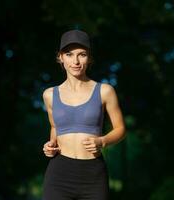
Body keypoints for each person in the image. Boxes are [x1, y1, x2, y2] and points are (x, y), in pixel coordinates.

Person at [42, 29, 126, 200]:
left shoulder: (105, 91)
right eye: (69, 54)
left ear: (89, 58)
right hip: (59, 173)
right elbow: (54, 127)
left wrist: (102, 141)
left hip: (93, 175)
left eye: (82, 54)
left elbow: (121, 129)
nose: (76, 61)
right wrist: (51, 145)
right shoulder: (49, 95)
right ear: (60, 57)